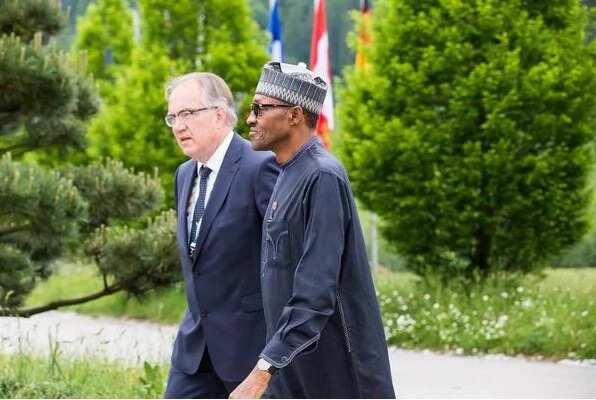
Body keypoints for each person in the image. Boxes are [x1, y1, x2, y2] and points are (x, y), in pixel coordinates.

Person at [230, 62, 396, 399]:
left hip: (337, 372)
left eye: (260, 108)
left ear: (293, 114)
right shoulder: (287, 172)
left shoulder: (321, 177)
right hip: (294, 368)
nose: (250, 118)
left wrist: (265, 368)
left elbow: (316, 291)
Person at [163, 72, 278, 398]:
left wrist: (272, 359)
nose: (178, 125)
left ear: (219, 114)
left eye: (187, 114)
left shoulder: (260, 166)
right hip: (195, 352)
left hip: (249, 353)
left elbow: (285, 261)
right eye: (172, 117)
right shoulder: (184, 175)